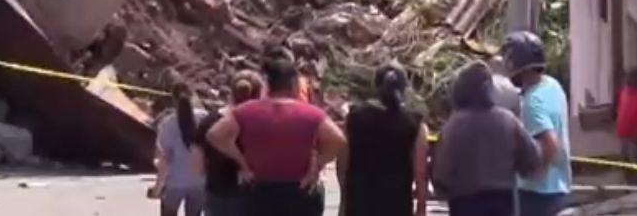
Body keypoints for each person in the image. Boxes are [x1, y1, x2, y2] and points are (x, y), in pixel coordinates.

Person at [207, 55, 346, 216]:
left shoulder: (246, 111)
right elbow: (338, 140)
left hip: (259, 189)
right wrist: (317, 166)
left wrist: (242, 162)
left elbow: (214, 135)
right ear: (294, 83)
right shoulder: (312, 114)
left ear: (268, 85)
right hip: (299, 189)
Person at [431, 60, 541, 216]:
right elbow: (532, 160)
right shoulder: (508, 121)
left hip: (464, 203)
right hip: (503, 203)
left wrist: (444, 189)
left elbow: (441, 174)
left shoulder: (453, 127)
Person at [338, 64, 429, 216]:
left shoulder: (354, 118)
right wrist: (421, 208)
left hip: (359, 201)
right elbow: (420, 173)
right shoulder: (415, 124)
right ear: (404, 88)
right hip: (396, 203)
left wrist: (344, 199)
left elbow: (342, 164)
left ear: (375, 86)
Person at [502, 32, 572, 216]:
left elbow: (550, 143)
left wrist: (533, 173)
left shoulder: (532, 102)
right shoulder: (552, 85)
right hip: (559, 186)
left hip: (537, 194)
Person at [193, 70, 264, 216]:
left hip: (217, 193)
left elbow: (197, 167)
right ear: (259, 95)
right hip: (253, 195)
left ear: (231, 93)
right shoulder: (264, 122)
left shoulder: (209, 122)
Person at [153, 82, 207, 216]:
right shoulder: (205, 118)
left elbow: (164, 160)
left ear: (173, 100)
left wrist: (157, 187)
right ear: (193, 96)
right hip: (200, 182)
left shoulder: (167, 124)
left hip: (174, 183)